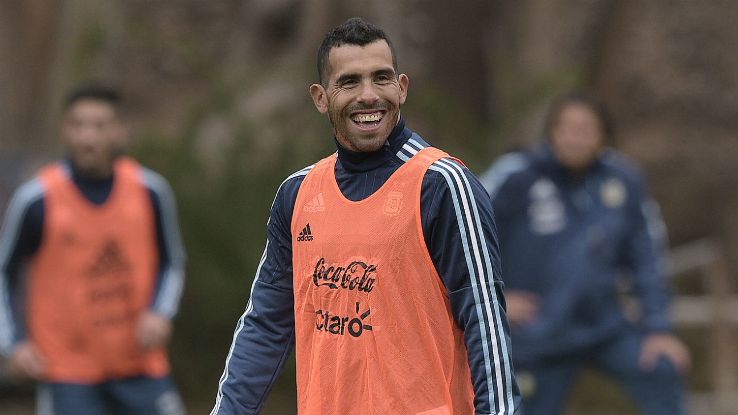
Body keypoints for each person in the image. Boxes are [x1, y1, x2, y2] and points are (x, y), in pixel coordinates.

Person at [211, 17, 519, 415]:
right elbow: (266, 324)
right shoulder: (297, 193)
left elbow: (485, 320)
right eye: (350, 82)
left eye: (381, 78)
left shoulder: (442, 185)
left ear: (402, 88)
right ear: (321, 98)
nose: (369, 95)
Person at [479, 91, 691, 414]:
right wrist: (494, 299)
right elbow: (466, 239)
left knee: (663, 365)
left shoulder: (623, 180)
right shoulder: (516, 176)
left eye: (586, 129)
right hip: (537, 332)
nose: (575, 138)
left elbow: (646, 258)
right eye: (568, 128)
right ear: (551, 132)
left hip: (604, 326)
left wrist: (658, 327)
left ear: (603, 136)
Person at [0, 84, 187, 415]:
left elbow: (171, 261)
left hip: (140, 363)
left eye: (99, 126)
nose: (87, 137)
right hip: (67, 372)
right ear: (64, 129)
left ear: (119, 131)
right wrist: (13, 343)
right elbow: (5, 273)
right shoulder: (37, 199)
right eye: (78, 125)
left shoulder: (150, 191)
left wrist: (160, 312)